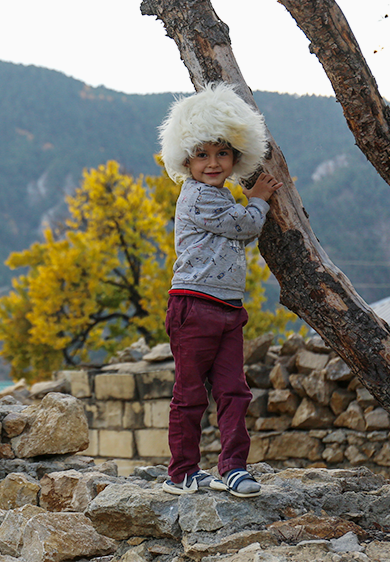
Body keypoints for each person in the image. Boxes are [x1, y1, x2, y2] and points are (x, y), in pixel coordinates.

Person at [156, 83, 282, 498]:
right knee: (190, 393)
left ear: (236, 157)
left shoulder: (221, 194)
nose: (213, 163)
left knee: (234, 390)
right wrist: (259, 200)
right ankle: (181, 471)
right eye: (202, 154)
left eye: (222, 153)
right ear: (185, 159)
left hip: (228, 308)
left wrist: (247, 199)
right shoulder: (195, 197)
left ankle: (233, 467)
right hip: (193, 306)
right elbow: (243, 226)